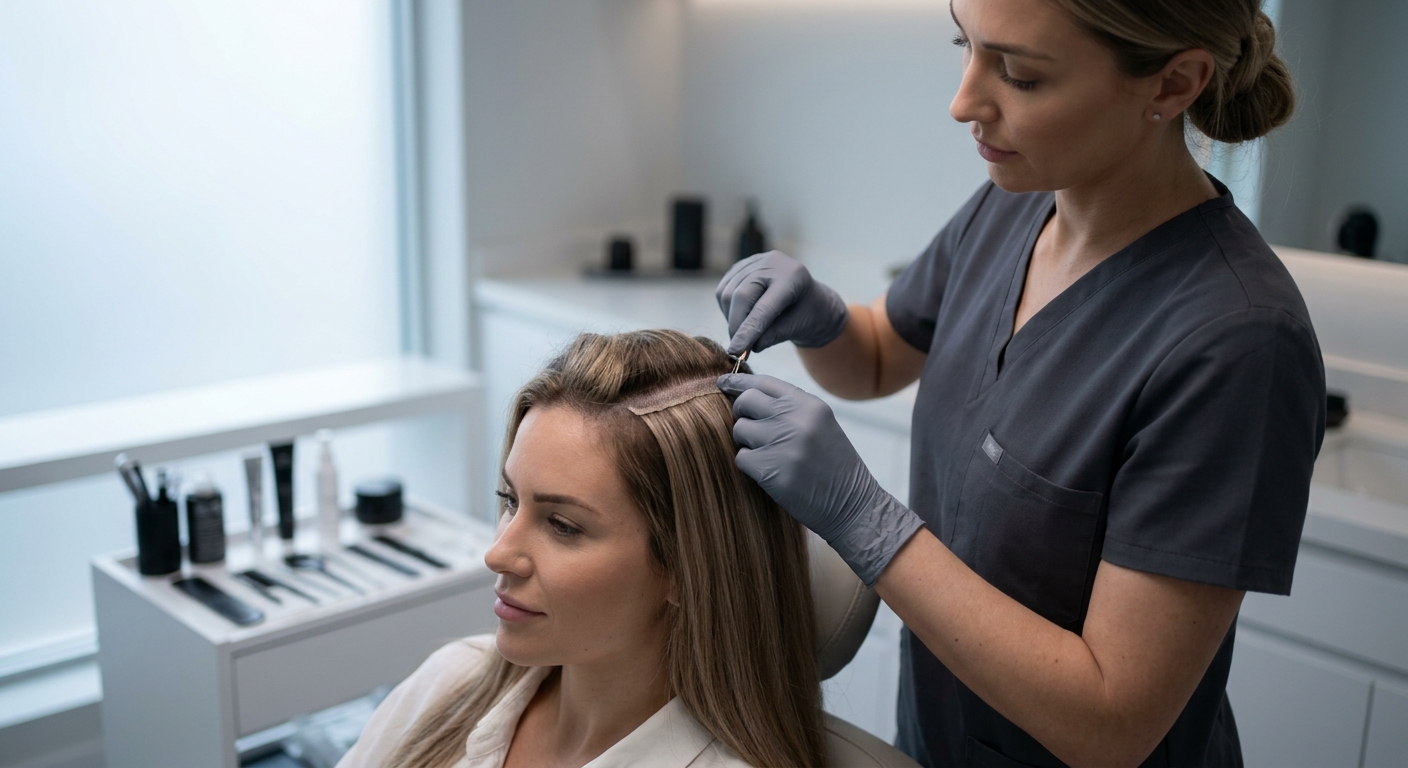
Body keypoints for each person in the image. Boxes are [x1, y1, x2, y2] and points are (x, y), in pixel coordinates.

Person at [713, 0, 1324, 766]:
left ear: (1173, 85)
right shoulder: (1017, 204)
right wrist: (823, 319)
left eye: (1021, 74)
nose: (963, 101)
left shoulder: (1236, 343)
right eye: (964, 47)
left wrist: (865, 520)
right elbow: (874, 358)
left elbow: (1113, 723)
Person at [339, 330, 827, 768]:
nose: (497, 554)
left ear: (687, 568)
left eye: (563, 526)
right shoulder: (450, 681)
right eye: (510, 500)